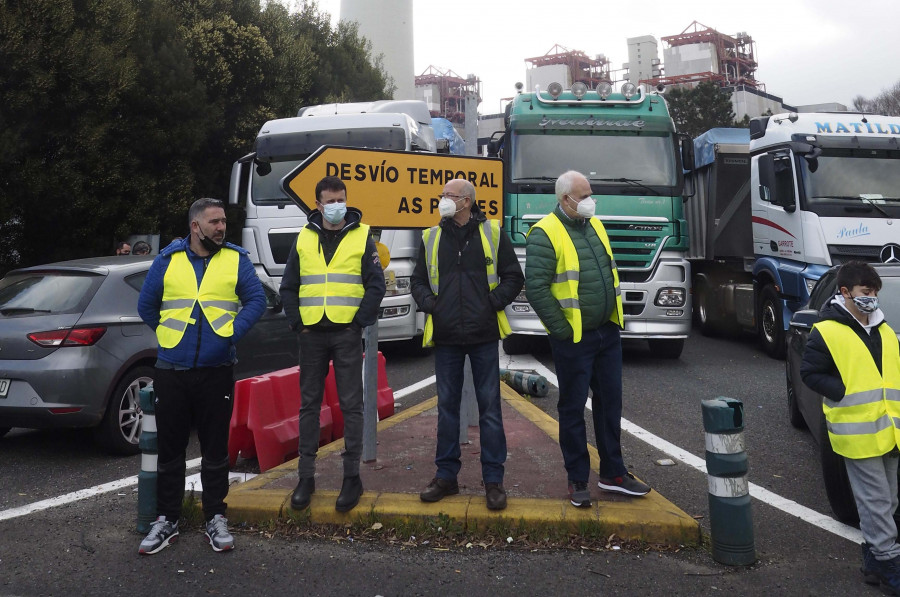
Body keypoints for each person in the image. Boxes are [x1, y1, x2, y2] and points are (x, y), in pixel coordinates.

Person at [136, 198, 266, 555]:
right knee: (170, 451)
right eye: (214, 222)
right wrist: (167, 336)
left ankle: (215, 516)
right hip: (171, 371)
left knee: (215, 451)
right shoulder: (167, 260)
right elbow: (146, 306)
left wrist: (230, 334)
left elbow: (256, 301)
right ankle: (167, 519)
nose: (221, 227)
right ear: (196, 227)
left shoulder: (235, 259)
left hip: (216, 370)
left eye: (223, 221)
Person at [525, 170, 651, 508]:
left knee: (610, 404)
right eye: (584, 196)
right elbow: (536, 289)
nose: (590, 201)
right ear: (565, 199)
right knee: (572, 407)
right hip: (575, 338)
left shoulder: (593, 224)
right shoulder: (544, 233)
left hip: (606, 332)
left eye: (590, 194)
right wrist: (563, 331)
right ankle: (577, 479)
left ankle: (614, 474)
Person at [410, 178, 524, 511]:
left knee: (490, 409)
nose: (443, 200)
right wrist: (432, 305)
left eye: (449, 195)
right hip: (446, 336)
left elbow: (514, 276)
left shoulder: (492, 233)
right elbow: (418, 280)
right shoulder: (431, 236)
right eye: (442, 194)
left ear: (467, 201)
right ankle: (446, 477)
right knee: (447, 409)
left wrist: (491, 304)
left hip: (483, 335)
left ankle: (493, 481)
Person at [279, 176, 386, 513]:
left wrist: (358, 321)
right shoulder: (304, 236)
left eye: (341, 199)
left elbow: (375, 285)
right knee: (309, 406)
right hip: (311, 334)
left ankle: (351, 477)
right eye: (330, 200)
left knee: (351, 405)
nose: (337, 205)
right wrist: (298, 323)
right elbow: (289, 286)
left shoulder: (362, 234)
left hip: (346, 333)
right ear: (318, 204)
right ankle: (306, 477)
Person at [800, 261, 900, 592]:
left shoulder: (884, 330)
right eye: (865, 292)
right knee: (875, 503)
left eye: (875, 293)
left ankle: (873, 563)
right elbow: (810, 373)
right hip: (857, 434)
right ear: (845, 293)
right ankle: (889, 566)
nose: (872, 298)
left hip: (889, 432)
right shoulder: (827, 331)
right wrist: (841, 391)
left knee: (889, 500)